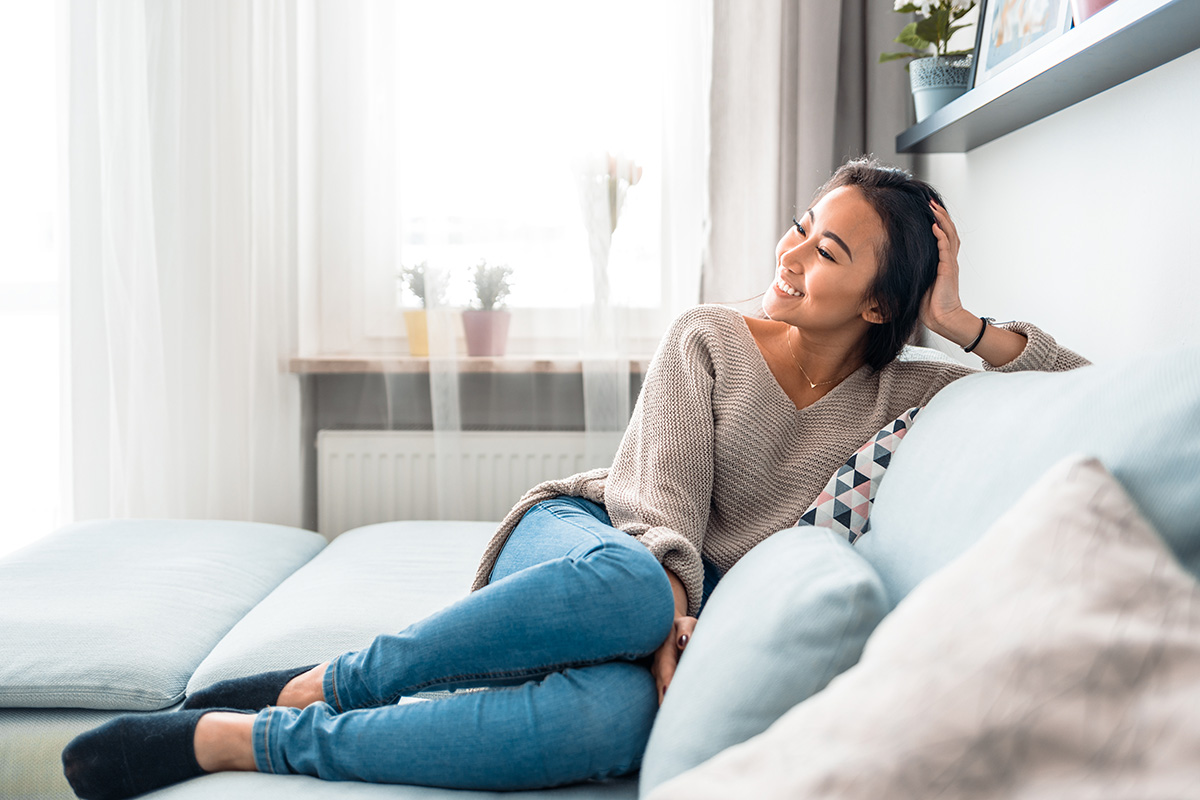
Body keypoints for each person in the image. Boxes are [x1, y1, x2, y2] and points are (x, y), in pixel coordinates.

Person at [61, 157, 1089, 799]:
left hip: (661, 608)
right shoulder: (712, 335)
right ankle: (340, 676)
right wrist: (675, 613)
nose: (791, 254)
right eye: (800, 224)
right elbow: (659, 513)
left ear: (877, 305)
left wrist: (959, 322)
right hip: (594, 544)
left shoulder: (907, 391)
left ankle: (251, 734)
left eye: (827, 251)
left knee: (612, 728)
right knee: (640, 581)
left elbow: (1078, 394)